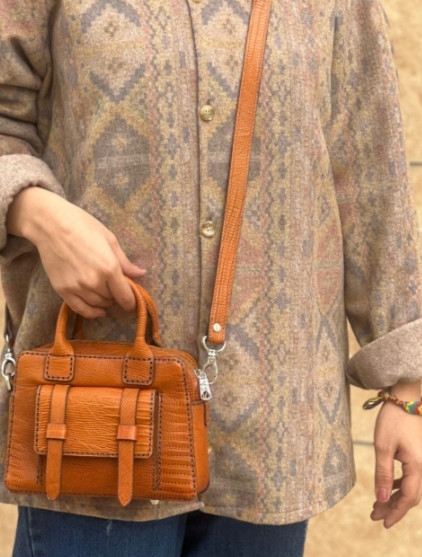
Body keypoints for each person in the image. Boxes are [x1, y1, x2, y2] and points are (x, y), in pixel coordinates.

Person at [1, 0, 422, 555]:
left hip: (274, 422)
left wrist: (408, 389)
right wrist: (35, 212)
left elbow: (369, 172)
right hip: (95, 413)